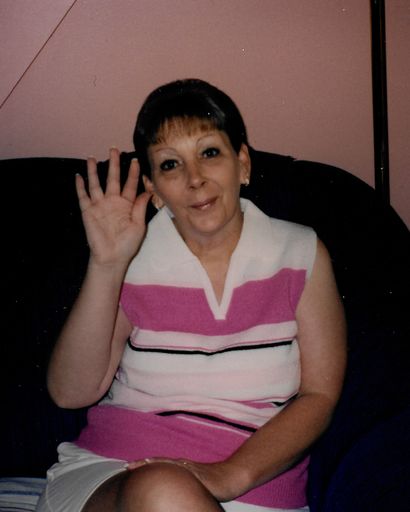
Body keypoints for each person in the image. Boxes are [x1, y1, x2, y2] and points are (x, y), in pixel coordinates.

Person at [36, 78, 346, 512]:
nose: (195, 179)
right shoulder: (131, 255)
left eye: (210, 153)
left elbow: (320, 395)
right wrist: (107, 266)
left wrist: (229, 475)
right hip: (117, 473)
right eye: (170, 164)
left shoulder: (301, 252)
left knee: (171, 492)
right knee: (166, 491)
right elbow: (70, 393)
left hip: (255, 486)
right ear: (153, 189)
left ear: (242, 163)